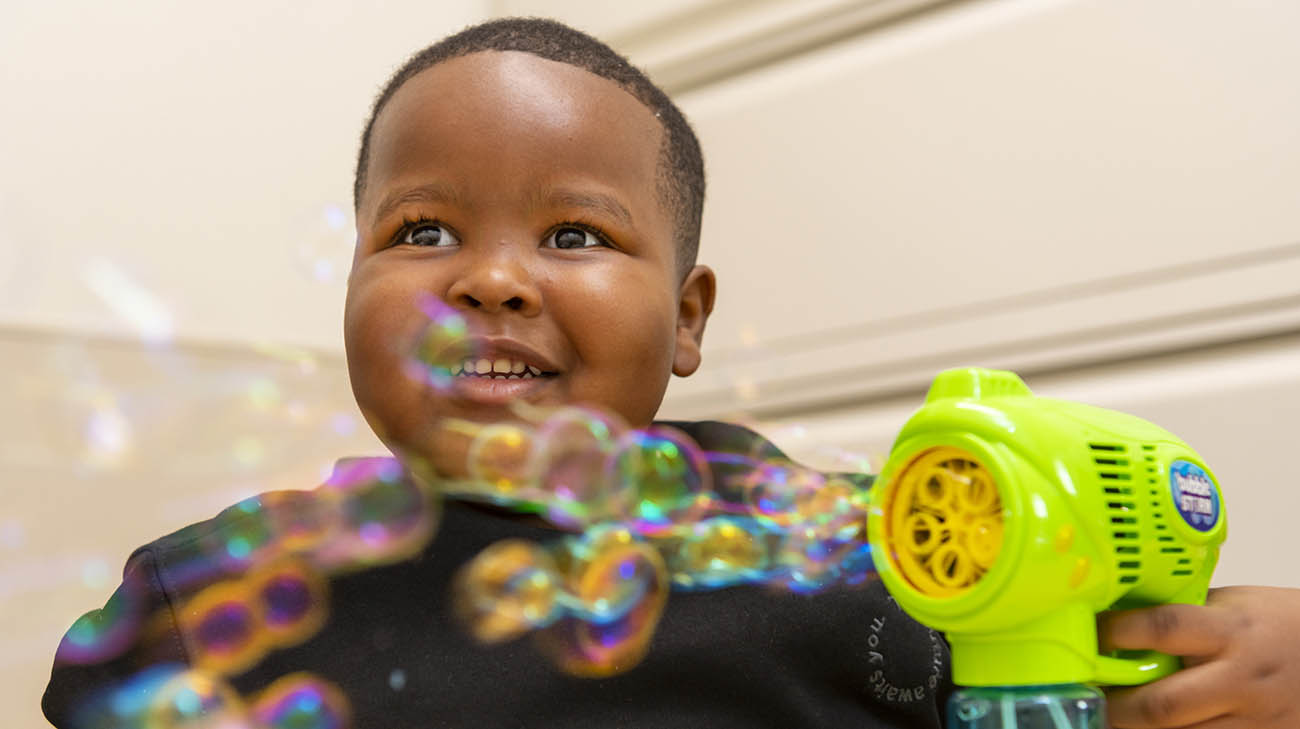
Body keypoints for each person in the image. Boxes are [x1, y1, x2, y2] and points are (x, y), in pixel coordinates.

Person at [41, 17, 1300, 729]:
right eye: (422, 232)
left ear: (688, 321)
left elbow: (1126, 657)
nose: (490, 278)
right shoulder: (211, 589)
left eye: (575, 235)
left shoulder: (890, 545)